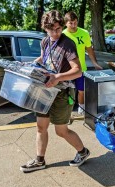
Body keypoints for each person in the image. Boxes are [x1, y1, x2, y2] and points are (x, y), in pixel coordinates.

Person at [20, 10, 90, 173]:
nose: (56, 33)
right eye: (52, 30)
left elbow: (78, 70)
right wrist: (31, 64)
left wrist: (57, 77)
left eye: (58, 29)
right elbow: (44, 58)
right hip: (45, 91)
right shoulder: (45, 42)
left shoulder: (68, 44)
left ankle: (83, 152)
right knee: (40, 127)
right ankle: (39, 161)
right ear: (45, 28)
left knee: (61, 131)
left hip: (63, 94)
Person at [63, 11, 102, 115]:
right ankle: (68, 111)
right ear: (66, 23)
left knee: (81, 91)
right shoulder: (62, 35)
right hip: (67, 70)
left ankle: (81, 109)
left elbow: (89, 50)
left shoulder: (84, 33)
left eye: (75, 22)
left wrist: (95, 63)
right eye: (71, 23)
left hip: (81, 69)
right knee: (69, 92)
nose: (73, 25)